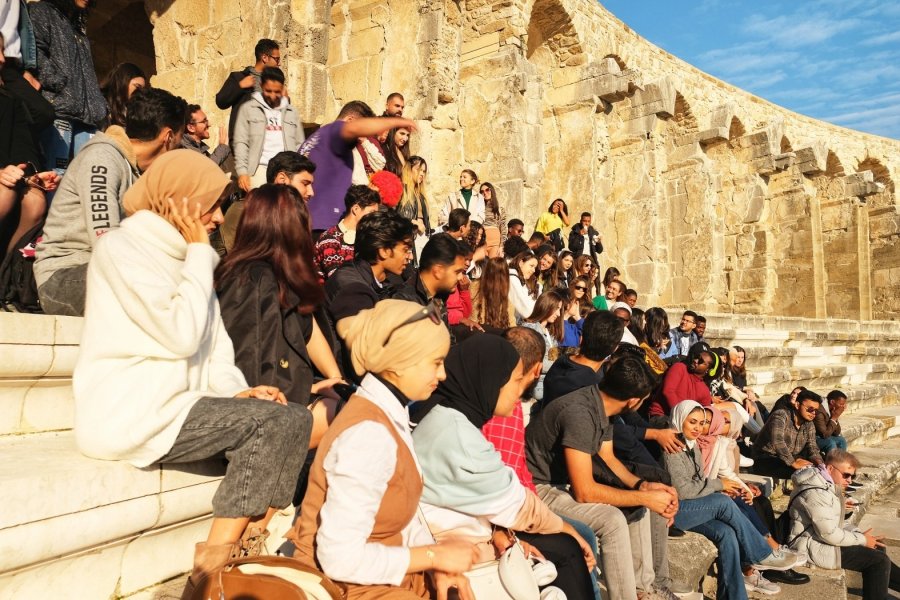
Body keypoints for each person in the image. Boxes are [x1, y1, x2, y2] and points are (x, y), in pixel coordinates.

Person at [72, 150, 313, 597]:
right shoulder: (122, 250)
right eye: (212, 204)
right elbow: (181, 337)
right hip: (132, 408)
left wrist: (239, 392)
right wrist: (201, 255)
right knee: (271, 426)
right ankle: (210, 572)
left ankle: (246, 541)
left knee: (294, 415)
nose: (220, 217)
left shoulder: (189, 256)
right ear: (179, 199)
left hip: (182, 405)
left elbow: (216, 348)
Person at [287, 299, 478, 599]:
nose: (442, 375)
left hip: (378, 578)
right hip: (340, 587)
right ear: (400, 360)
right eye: (435, 362)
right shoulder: (368, 434)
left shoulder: (389, 414)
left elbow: (405, 516)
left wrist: (439, 565)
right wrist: (433, 557)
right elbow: (339, 558)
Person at [413, 335, 596, 600]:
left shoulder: (447, 415)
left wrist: (502, 532)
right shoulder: (455, 432)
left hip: (470, 535)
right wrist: (568, 529)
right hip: (458, 552)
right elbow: (515, 503)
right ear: (490, 380)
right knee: (568, 547)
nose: (519, 391)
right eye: (515, 380)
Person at [526, 347, 679, 600]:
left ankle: (643, 590)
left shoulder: (599, 403)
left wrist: (641, 486)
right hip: (539, 488)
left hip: (558, 484)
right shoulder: (580, 413)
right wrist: (643, 497)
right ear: (633, 401)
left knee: (637, 504)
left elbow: (608, 458)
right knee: (612, 519)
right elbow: (584, 491)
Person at [34, 87, 187, 316]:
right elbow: (106, 244)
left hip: (105, 273)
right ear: (168, 136)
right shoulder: (102, 158)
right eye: (179, 139)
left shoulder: (138, 172)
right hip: (63, 278)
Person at [215, 183, 345, 450]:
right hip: (267, 408)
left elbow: (305, 325)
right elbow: (247, 353)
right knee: (347, 415)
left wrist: (334, 378)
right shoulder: (251, 277)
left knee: (348, 402)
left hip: (289, 393)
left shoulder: (276, 274)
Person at [662, 401, 805, 600]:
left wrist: (727, 487)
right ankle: (761, 553)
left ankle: (734, 596)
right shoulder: (672, 447)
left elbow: (700, 482)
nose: (698, 428)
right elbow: (684, 491)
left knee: (727, 533)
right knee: (723, 502)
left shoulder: (691, 445)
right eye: (692, 422)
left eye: (702, 423)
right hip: (673, 512)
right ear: (679, 420)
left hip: (691, 507)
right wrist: (719, 486)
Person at [788, 450, 900, 600]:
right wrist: (862, 539)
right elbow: (829, 534)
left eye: (853, 476)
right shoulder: (816, 493)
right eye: (846, 475)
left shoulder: (826, 485)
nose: (850, 480)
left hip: (819, 540)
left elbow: (836, 523)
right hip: (810, 547)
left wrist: (860, 535)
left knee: (878, 546)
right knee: (878, 562)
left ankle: (878, 593)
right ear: (830, 469)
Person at [325, 211, 416, 382]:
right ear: (383, 251)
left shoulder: (382, 281)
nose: (409, 257)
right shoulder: (353, 289)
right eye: (405, 250)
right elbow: (364, 356)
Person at [300, 100, 416, 231]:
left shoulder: (317, 137)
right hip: (324, 225)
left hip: (306, 222)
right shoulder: (335, 130)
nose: (361, 139)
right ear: (350, 119)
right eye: (361, 133)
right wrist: (399, 121)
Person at [29, 0, 107, 173]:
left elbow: (88, 73)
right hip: (60, 111)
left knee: (90, 176)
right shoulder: (42, 11)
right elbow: (35, 51)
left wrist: (100, 103)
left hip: (88, 119)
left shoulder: (77, 28)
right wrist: (58, 83)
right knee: (56, 173)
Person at [232, 67, 302, 193]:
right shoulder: (248, 109)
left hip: (287, 171)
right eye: (268, 91)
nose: (273, 95)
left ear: (283, 89)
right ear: (261, 85)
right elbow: (241, 142)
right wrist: (242, 172)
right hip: (258, 171)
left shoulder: (292, 112)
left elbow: (300, 145)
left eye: (277, 91)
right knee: (260, 210)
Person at [393, 233, 468, 329]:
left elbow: (447, 337)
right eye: (457, 272)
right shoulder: (404, 302)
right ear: (438, 271)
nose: (461, 277)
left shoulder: (440, 294)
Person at [215, 38, 281, 139]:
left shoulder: (274, 84)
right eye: (276, 59)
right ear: (265, 57)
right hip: (244, 141)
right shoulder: (239, 77)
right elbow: (221, 101)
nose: (279, 63)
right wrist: (240, 86)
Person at [753, 389, 825, 480]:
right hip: (765, 459)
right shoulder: (781, 415)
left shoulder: (809, 424)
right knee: (804, 474)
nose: (813, 413)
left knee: (819, 467)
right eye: (810, 409)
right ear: (797, 405)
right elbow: (777, 441)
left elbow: (812, 446)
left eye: (816, 411)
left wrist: (819, 463)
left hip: (787, 458)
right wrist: (793, 463)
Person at [314, 184, 380, 280]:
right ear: (356, 209)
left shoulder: (366, 238)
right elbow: (339, 279)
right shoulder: (329, 239)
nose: (375, 218)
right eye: (372, 213)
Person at [646, 342, 714, 420]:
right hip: (660, 415)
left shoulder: (704, 390)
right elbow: (668, 391)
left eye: (701, 361)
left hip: (683, 421)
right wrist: (683, 417)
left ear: (708, 370)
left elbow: (706, 412)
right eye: (696, 357)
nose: (696, 360)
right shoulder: (679, 367)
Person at [522, 289, 566, 403]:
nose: (558, 314)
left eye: (560, 310)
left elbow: (553, 357)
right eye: (556, 309)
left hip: (552, 380)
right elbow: (533, 362)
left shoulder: (550, 332)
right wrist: (562, 364)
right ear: (546, 306)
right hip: (537, 385)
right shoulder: (530, 329)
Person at [470, 256, 516, 330]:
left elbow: (472, 313)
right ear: (506, 273)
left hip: (477, 328)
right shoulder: (509, 288)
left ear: (487, 270)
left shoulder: (475, 284)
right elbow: (511, 320)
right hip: (499, 331)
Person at [100, 62, 146, 129]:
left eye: (143, 89)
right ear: (123, 81)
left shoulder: (133, 110)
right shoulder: (99, 104)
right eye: (137, 86)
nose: (140, 92)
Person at [509, 250, 539, 322]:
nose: (534, 270)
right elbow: (526, 311)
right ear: (521, 263)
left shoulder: (520, 280)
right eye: (531, 266)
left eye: (535, 267)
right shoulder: (512, 279)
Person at [479, 181, 507, 256]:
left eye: (487, 190)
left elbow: (503, 228)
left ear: (492, 190)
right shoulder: (479, 208)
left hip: (495, 242)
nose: (485, 193)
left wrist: (501, 246)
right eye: (482, 191)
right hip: (482, 241)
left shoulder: (499, 209)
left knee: (493, 266)